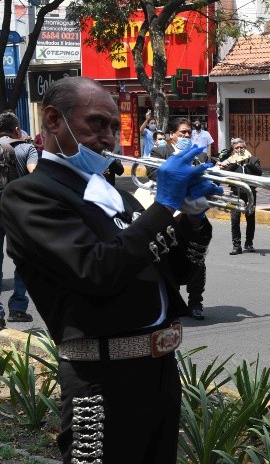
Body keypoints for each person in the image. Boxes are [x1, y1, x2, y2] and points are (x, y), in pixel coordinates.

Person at [0, 76, 220, 463]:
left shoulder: (117, 195)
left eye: (115, 127)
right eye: (97, 124)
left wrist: (192, 221)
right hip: (100, 380)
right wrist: (163, 204)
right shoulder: (30, 196)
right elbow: (96, 271)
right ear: (53, 119)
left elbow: (175, 273)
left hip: (159, 373)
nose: (109, 137)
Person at [149, 118, 210, 320]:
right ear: (172, 135)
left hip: (193, 214)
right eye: (182, 132)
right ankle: (171, 302)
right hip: (169, 213)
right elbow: (152, 173)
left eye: (188, 133)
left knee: (197, 258)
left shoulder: (200, 155)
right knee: (166, 258)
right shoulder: (161, 152)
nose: (186, 136)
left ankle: (195, 303)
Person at [0, 112, 39, 326]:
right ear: (17, 130)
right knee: (23, 260)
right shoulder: (26, 148)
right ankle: (17, 308)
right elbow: (34, 173)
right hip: (19, 212)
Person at [217, 137, 262, 255]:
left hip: (250, 193)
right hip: (235, 194)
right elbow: (225, 174)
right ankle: (236, 246)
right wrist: (234, 162)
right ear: (233, 150)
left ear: (245, 148)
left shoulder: (253, 159)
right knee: (235, 220)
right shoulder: (230, 161)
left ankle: (249, 243)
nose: (239, 149)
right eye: (237, 148)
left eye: (242, 147)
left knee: (250, 219)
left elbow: (259, 172)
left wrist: (248, 164)